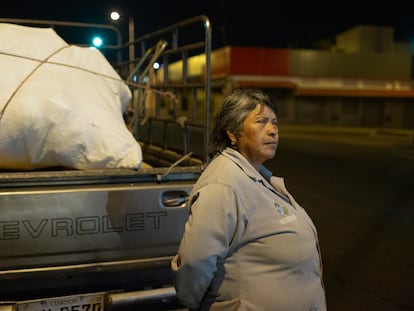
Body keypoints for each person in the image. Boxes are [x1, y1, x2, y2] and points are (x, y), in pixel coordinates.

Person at [171, 88, 326, 311]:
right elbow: (195, 263)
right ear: (232, 133)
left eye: (275, 122)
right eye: (261, 122)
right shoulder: (223, 184)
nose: (273, 131)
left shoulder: (254, 175)